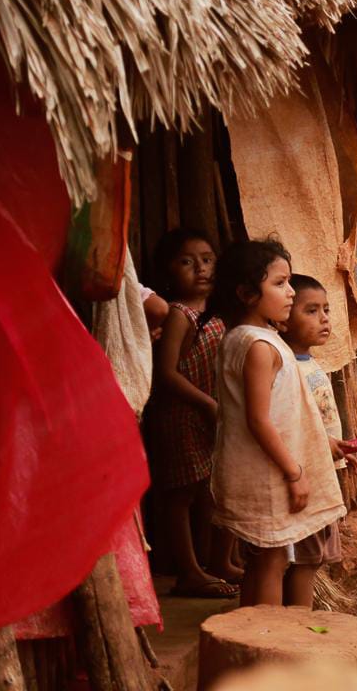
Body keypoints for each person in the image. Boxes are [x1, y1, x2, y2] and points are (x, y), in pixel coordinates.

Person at [205, 239, 345, 607]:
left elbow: (288, 413)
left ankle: (251, 635)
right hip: (269, 474)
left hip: (261, 469)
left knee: (261, 561)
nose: (291, 292)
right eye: (279, 283)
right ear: (247, 294)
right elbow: (259, 420)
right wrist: (294, 473)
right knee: (273, 561)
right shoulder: (259, 346)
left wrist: (322, 444)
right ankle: (270, 637)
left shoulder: (244, 338)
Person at [143, 228, 239, 597]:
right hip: (181, 414)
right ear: (169, 272)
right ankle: (189, 571)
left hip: (212, 412)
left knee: (213, 489)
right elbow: (166, 373)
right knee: (181, 494)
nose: (200, 268)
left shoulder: (219, 311)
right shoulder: (179, 315)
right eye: (187, 262)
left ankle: (219, 561)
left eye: (207, 260)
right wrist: (207, 403)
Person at [277, 273, 357, 607]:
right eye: (311, 311)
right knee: (306, 559)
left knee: (312, 558)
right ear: (283, 320)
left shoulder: (309, 363)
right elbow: (294, 426)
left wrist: (337, 451)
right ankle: (301, 624)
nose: (324, 318)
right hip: (303, 479)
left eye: (326, 309)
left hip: (320, 474)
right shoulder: (287, 369)